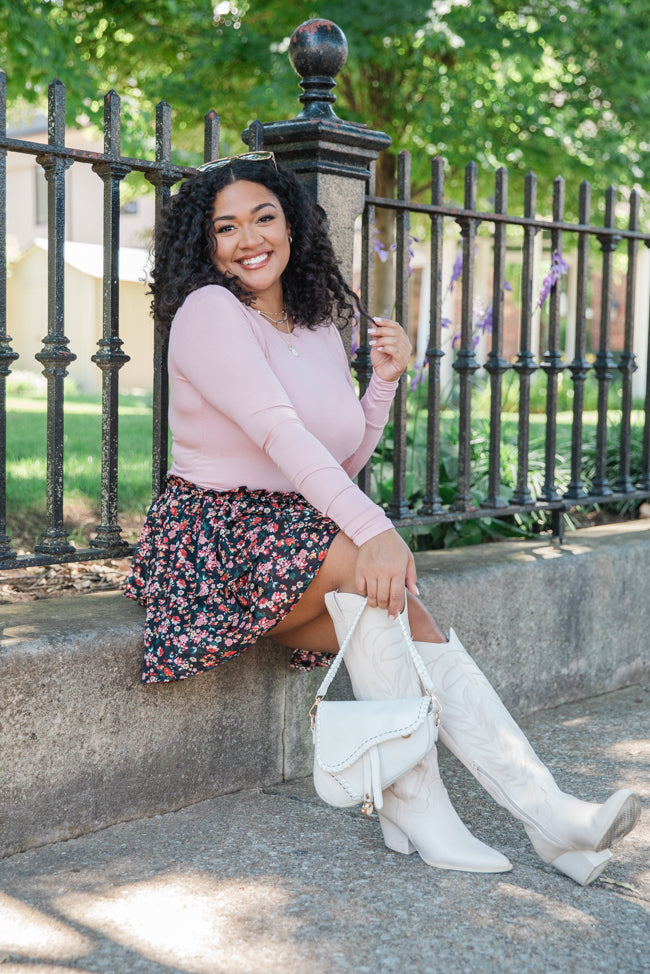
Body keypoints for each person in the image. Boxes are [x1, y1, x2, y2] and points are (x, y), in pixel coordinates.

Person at [125, 151, 640, 886]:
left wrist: (384, 387)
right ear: (205, 245)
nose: (248, 239)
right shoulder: (211, 313)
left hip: (294, 533)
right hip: (215, 540)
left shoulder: (315, 326)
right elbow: (279, 436)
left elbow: (338, 455)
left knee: (401, 611)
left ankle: (544, 815)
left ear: (293, 225)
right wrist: (372, 529)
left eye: (263, 217)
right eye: (225, 227)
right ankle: (431, 811)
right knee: (373, 579)